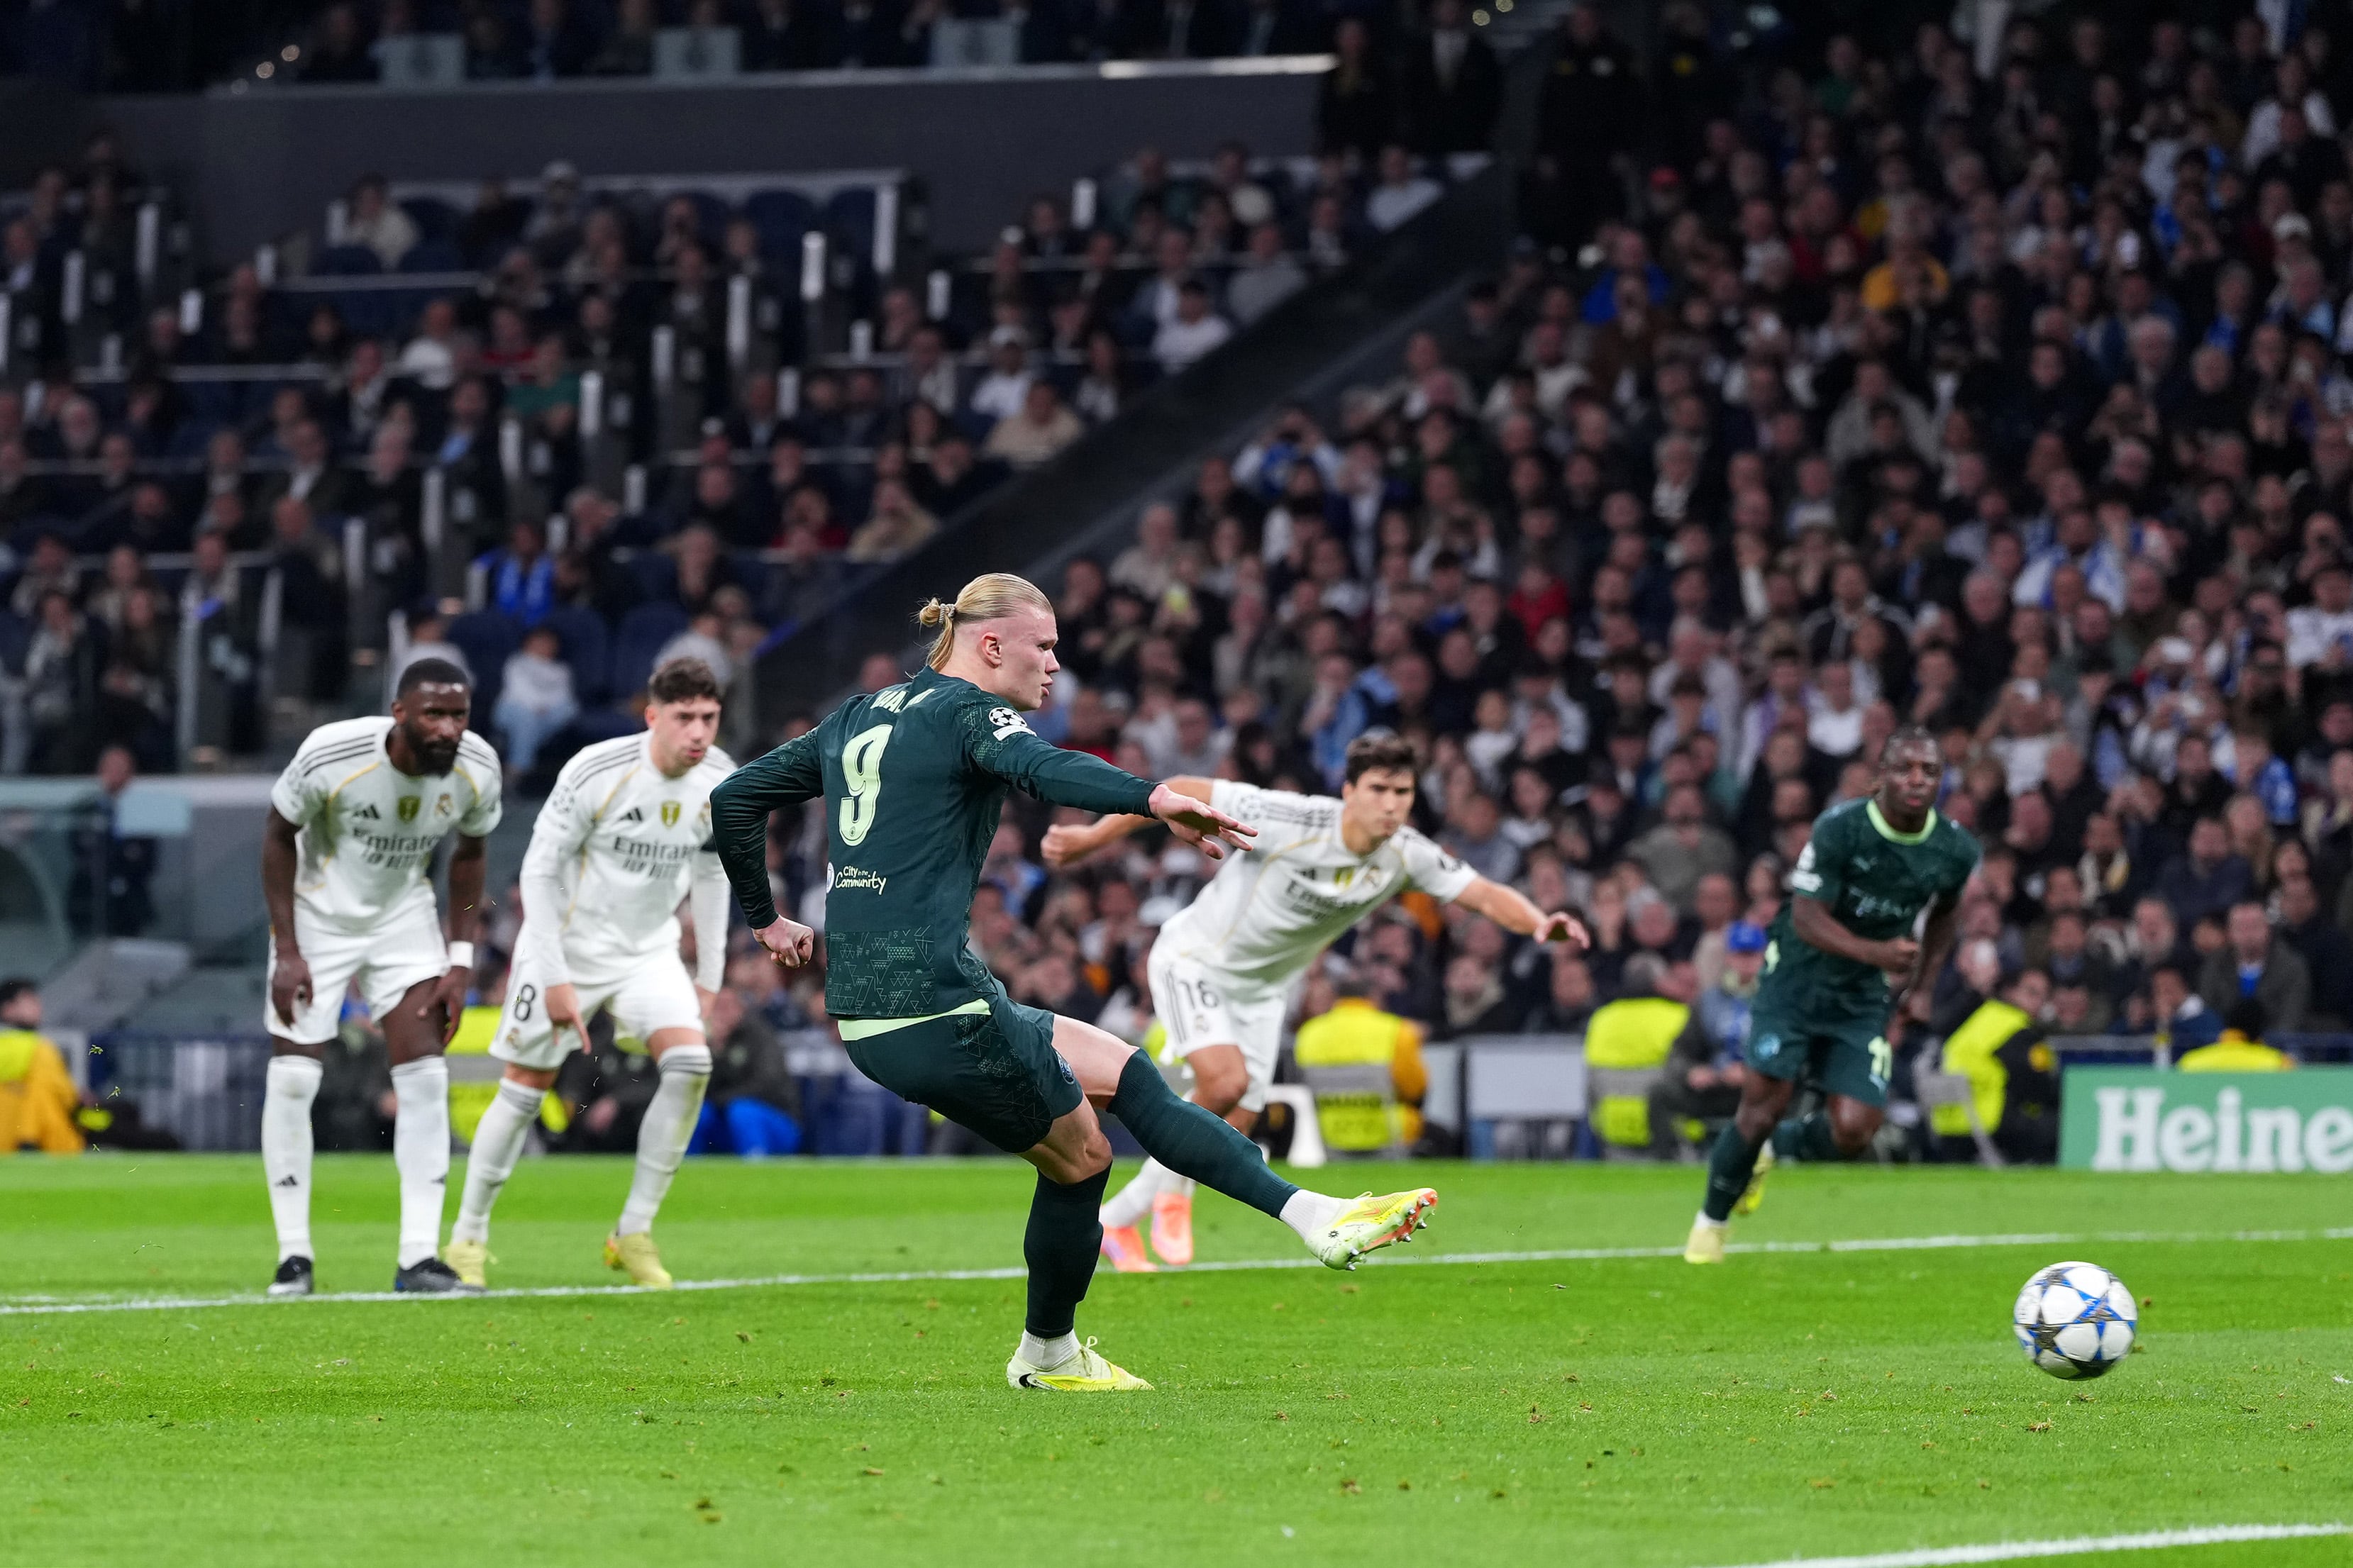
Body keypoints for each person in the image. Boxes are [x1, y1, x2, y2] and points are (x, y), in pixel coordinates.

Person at [710, 573, 1442, 1393]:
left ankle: (1311, 1217)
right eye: (1045, 646)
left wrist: (766, 920)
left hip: (879, 1002)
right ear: (990, 646)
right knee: (1082, 1161)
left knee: (1125, 1071)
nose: (1057, 666)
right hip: (934, 1002)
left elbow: (735, 797)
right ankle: (1052, 1354)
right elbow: (1040, 766)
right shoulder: (966, 712)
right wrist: (1155, 797)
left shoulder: (856, 715)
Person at [1044, 730, 1587, 1270]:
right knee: (1225, 1083)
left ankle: (1121, 1215)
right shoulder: (1294, 818)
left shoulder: (1406, 854)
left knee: (1241, 1118)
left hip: (1263, 990)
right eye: (1378, 789)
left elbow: (1483, 893)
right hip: (1195, 958)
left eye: (1402, 792)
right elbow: (1183, 785)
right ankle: (1169, 1196)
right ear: (1348, 791)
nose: (1391, 804)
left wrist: (1540, 923)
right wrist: (1089, 839)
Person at [448, 658, 734, 1289]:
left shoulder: (721, 779)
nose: (698, 732)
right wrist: (552, 976)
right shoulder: (596, 771)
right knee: (525, 1086)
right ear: (652, 716)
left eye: (708, 718)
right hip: (567, 949)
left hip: (648, 953)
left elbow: (715, 874)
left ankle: (632, 1231)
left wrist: (707, 978)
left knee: (691, 1065)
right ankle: (466, 1239)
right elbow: (539, 873)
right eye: (684, 718)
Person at [1685, 726, 1979, 1264]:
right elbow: (1805, 915)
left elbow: (1944, 914)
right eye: (1904, 768)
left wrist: (1922, 988)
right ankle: (1710, 1224)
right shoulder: (1841, 828)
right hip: (1793, 981)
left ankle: (1775, 1149)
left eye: (1929, 771)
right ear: (1882, 776)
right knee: (1759, 1107)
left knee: (1855, 1130)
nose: (1916, 780)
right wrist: (1877, 955)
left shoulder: (1954, 848)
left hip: (1860, 996)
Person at [260, 658, 502, 1296]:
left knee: (425, 1077)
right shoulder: (332, 753)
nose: (450, 729)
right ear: (400, 714)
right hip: (319, 913)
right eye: (434, 714)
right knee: (293, 1078)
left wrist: (459, 959)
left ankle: (419, 1256)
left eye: (459, 715)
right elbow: (278, 834)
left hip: (403, 916)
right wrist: (287, 948)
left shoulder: (477, 767)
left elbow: (471, 855)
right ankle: (294, 1256)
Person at [1649, 919, 1764, 1156]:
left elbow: (1788, 1052)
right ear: (1730, 958)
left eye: (1752, 955)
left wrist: (1753, 1073)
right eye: (1740, 955)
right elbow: (1680, 1051)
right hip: (1716, 1086)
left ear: (1763, 957)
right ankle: (1664, 1163)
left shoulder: (1776, 1003)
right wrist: (1691, 1071)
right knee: (1659, 1093)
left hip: (1759, 1092)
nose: (1746, 963)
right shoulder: (1708, 1001)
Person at [1932, 968, 2061, 1164]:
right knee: (2057, 1127)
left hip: (1948, 1123)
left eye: (2044, 996)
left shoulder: (1983, 1017)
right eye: (2032, 992)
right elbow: (2039, 1084)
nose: (2039, 1002)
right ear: (2010, 991)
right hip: (1988, 1122)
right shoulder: (2016, 1030)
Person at [0, 978, 84, 1154]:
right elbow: (66, 1095)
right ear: (7, 1009)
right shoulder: (40, 1049)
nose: (38, 1007)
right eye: (29, 1002)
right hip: (42, 1142)